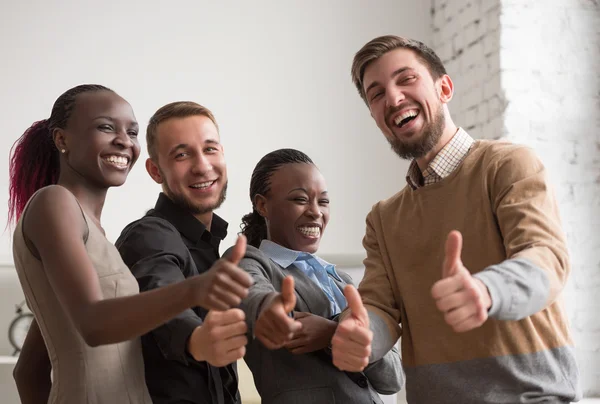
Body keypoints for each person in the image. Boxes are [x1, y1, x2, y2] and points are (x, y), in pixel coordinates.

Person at [331, 35, 581, 403]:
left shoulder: (507, 166)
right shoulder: (383, 219)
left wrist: (486, 290)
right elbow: (380, 308)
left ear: (444, 87)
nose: (394, 98)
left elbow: (546, 258)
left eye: (406, 79)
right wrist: (361, 335)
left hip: (533, 396)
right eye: (377, 93)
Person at [9, 86, 252, 404]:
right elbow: (93, 324)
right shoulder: (54, 202)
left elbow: (28, 370)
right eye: (105, 127)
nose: (124, 140)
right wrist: (195, 290)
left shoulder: (95, 237)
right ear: (61, 139)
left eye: (132, 131)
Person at [233, 148, 403, 404]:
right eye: (300, 200)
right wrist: (273, 308)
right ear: (262, 205)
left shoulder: (341, 281)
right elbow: (257, 301)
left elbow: (393, 380)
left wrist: (333, 334)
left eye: (323, 201)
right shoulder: (248, 262)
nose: (316, 212)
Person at [115, 101, 247, 404]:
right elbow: (162, 295)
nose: (202, 165)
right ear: (154, 170)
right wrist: (197, 340)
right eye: (182, 154)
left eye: (210, 149)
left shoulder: (214, 247)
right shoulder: (150, 236)